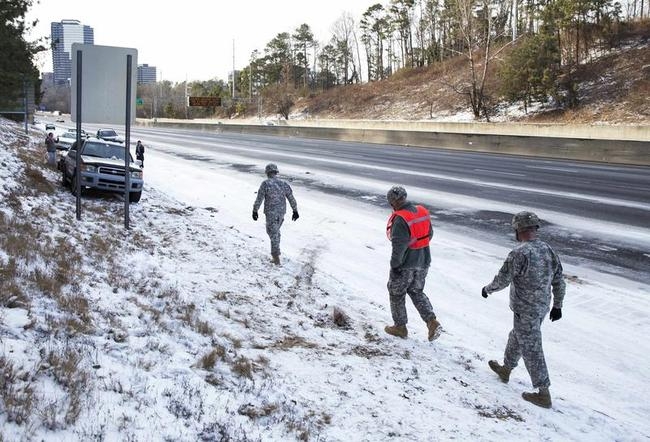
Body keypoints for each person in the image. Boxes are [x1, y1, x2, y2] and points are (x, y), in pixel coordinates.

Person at [481, 211, 565, 409]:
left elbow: (502, 279)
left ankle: (543, 392)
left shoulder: (519, 253)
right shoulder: (548, 249)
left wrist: (487, 289)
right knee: (518, 336)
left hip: (525, 308)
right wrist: (557, 305)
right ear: (535, 228)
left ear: (518, 230)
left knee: (531, 347)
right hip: (541, 307)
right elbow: (559, 280)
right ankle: (506, 369)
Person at [384, 186, 441, 341]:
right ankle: (432, 321)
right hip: (423, 261)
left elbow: (399, 247)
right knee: (416, 291)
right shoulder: (422, 211)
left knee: (396, 293)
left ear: (392, 203)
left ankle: (400, 327)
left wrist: (395, 265)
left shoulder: (400, 219)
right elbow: (429, 235)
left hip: (405, 264)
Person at [252, 163, 299, 265]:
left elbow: (259, 198)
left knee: (273, 233)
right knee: (275, 232)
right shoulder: (284, 184)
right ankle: (276, 252)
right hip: (281, 212)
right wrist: (295, 210)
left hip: (271, 213)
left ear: (267, 172)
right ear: (276, 172)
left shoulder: (266, 184)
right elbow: (291, 198)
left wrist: (255, 210)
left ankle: (276, 258)